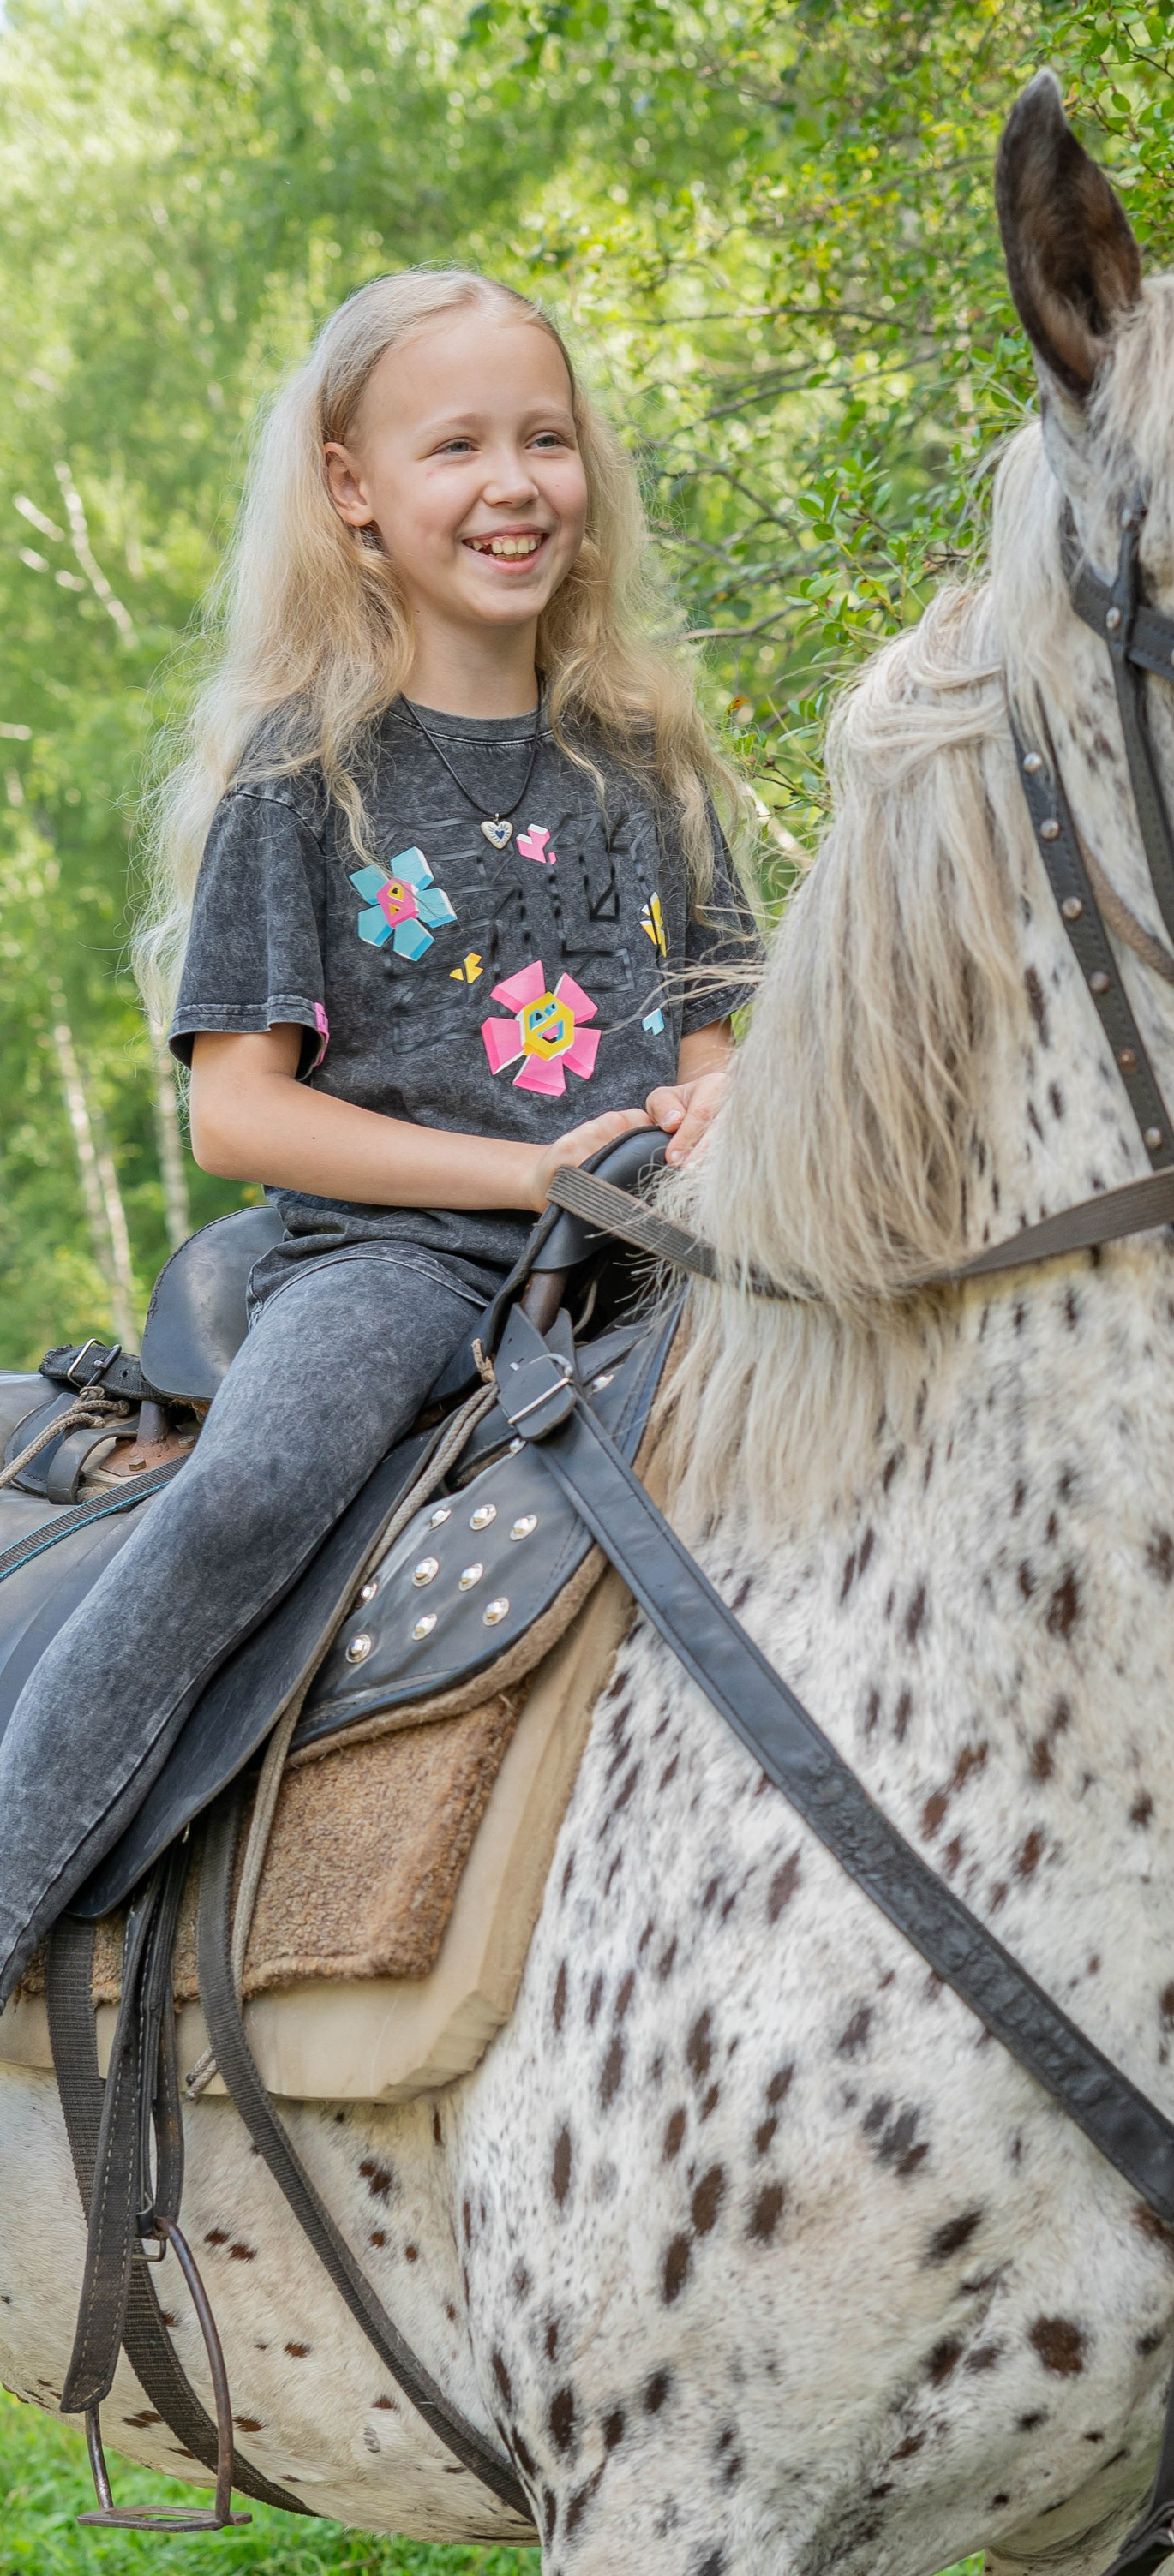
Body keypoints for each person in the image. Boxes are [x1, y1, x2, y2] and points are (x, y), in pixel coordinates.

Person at [0, 266, 759, 2002]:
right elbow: (236, 1113)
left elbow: (711, 1042)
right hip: (400, 1266)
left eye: (546, 439)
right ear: (353, 487)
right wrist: (525, 1173)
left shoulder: (650, 756)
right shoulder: (309, 765)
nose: (514, 484)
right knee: (256, 1488)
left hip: (655, 1256)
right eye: (458, 446)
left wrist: (711, 1115)